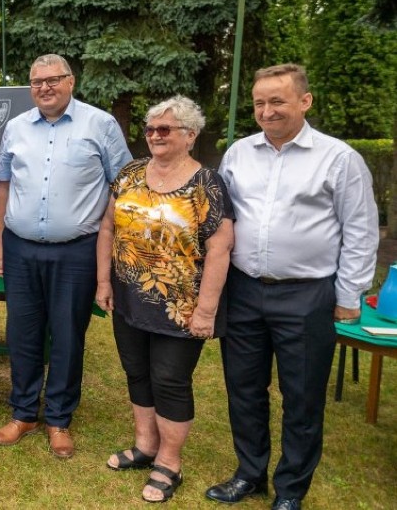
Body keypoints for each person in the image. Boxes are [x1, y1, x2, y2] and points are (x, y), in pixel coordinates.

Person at [206, 64, 378, 510]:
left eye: (278, 101)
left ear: (305, 101)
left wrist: (348, 297)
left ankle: (291, 490)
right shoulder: (238, 154)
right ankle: (250, 474)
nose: (267, 111)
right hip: (244, 290)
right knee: (244, 388)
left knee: (302, 396)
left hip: (307, 295)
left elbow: (360, 231)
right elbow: (222, 221)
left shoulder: (339, 159)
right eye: (260, 102)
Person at [0, 53, 132, 458]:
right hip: (20, 248)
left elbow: (121, 187)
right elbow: (3, 187)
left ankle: (58, 419)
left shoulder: (100, 124)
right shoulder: (17, 128)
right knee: (23, 333)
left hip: (77, 251)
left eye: (54, 80)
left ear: (71, 81)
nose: (45, 88)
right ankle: (23, 412)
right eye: (37, 82)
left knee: (68, 336)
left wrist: (108, 249)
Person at [95, 95, 234, 502]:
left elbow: (221, 248)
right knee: (136, 371)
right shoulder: (130, 173)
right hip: (128, 297)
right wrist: (103, 283)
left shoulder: (206, 183)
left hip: (182, 306)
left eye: (165, 129)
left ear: (189, 135)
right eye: (150, 129)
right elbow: (108, 229)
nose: (155, 136)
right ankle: (145, 446)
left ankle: (169, 464)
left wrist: (207, 309)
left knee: (170, 380)